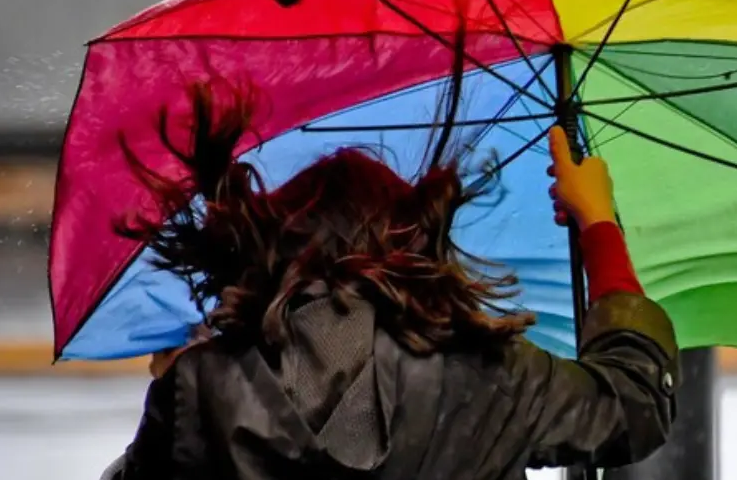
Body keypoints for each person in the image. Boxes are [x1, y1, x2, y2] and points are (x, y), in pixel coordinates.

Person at [100, 84, 678, 479]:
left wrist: (181, 393)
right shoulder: (495, 374)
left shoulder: (208, 386)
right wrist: (597, 224)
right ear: (410, 247)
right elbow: (633, 404)